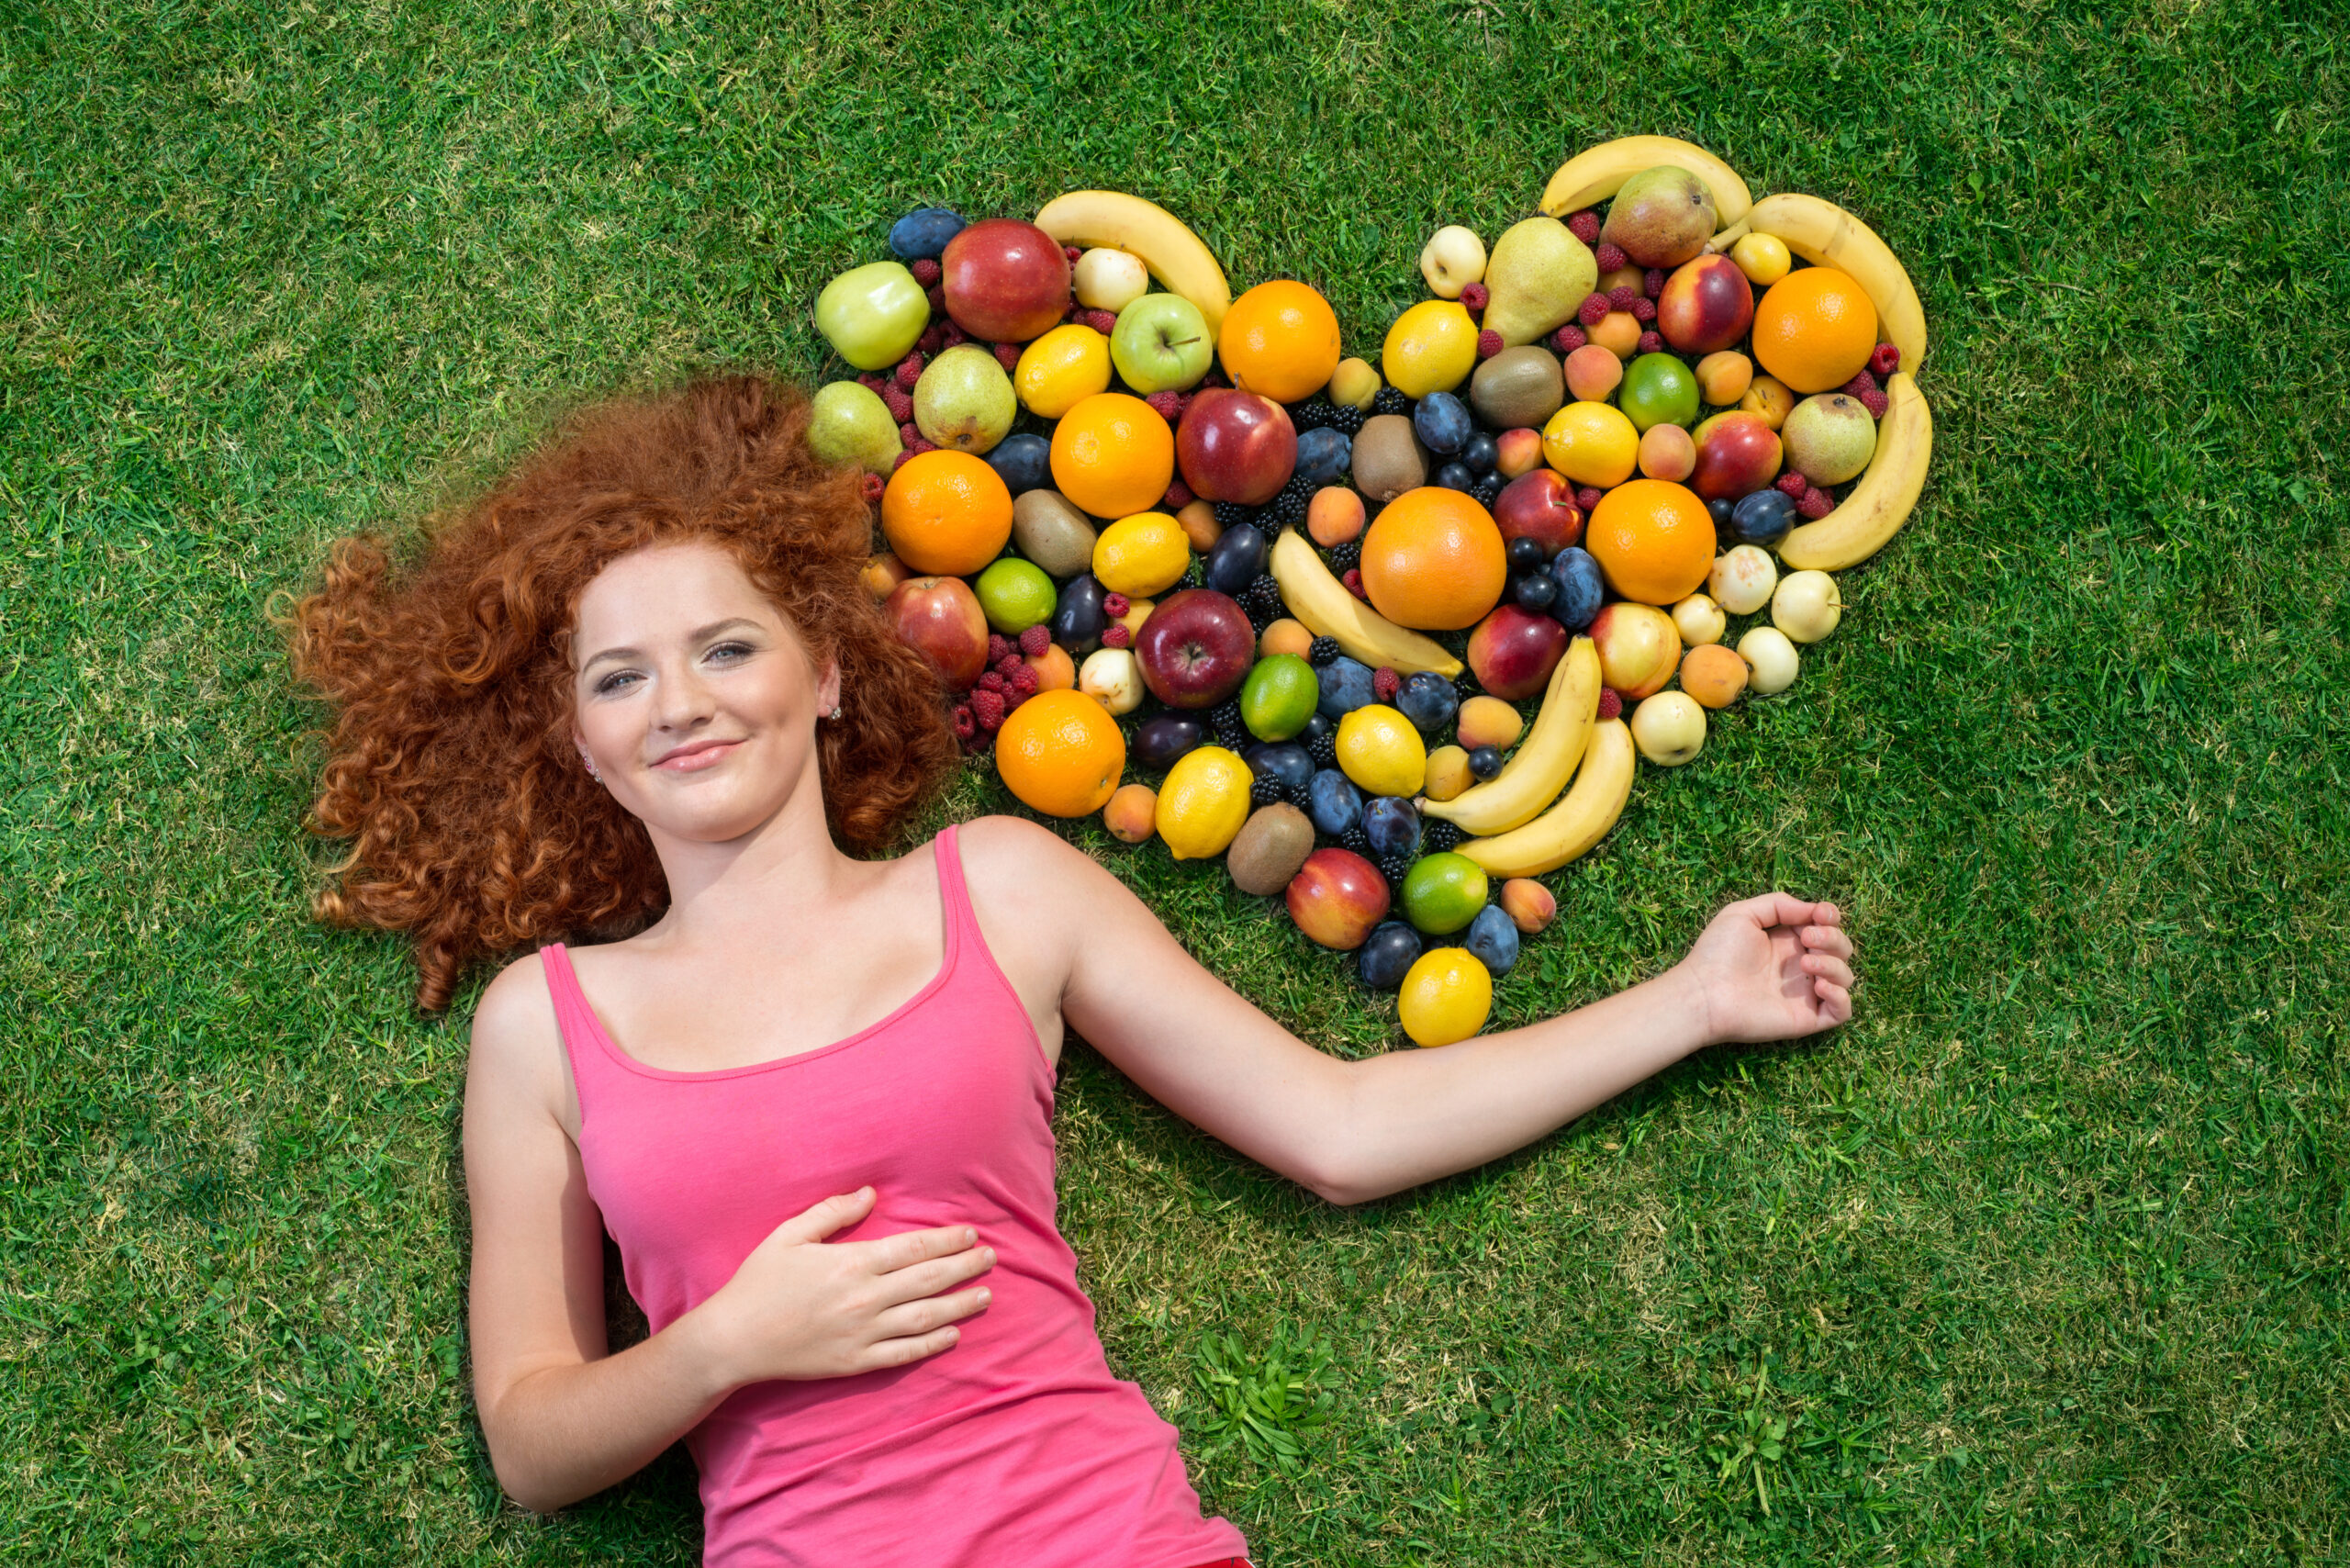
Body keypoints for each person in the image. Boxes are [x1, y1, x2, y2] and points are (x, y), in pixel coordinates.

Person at [291, 375, 1855, 1567]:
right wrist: (723, 1346)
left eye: (726, 648)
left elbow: (1340, 1132)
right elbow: (533, 1443)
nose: (680, 704)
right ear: (583, 745)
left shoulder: (1003, 890)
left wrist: (1691, 1003)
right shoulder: (546, 1029)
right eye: (620, 679)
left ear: (826, 672)